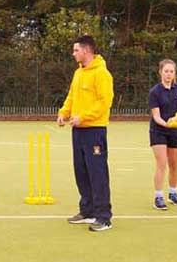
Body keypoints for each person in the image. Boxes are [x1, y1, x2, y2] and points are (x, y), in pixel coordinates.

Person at [57, 35, 114, 232]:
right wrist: (63, 113)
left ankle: (104, 217)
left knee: (97, 172)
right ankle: (87, 211)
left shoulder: (102, 74)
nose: (73, 54)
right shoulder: (78, 73)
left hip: (95, 130)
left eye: (76, 50)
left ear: (86, 51)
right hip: (78, 131)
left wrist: (84, 117)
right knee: (81, 171)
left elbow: (104, 102)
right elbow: (72, 96)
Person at [148, 59, 177, 210]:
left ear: (174, 73)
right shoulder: (155, 92)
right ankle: (158, 196)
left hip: (175, 131)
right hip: (158, 130)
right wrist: (166, 123)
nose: (169, 74)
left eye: (171, 71)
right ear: (161, 72)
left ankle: (173, 193)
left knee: (174, 164)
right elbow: (156, 116)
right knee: (162, 163)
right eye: (166, 71)